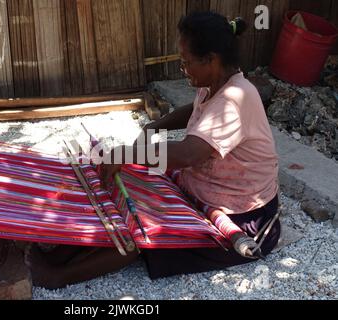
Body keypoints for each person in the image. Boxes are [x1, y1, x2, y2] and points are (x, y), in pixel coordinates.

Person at [25, 11, 280, 289]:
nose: (183, 69)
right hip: (199, 191)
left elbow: (188, 154)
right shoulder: (216, 85)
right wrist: (156, 126)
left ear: (212, 60)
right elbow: (195, 112)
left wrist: (128, 153)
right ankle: (62, 251)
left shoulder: (234, 99)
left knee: (141, 225)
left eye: (187, 62)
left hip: (238, 220)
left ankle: (58, 277)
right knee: (124, 183)